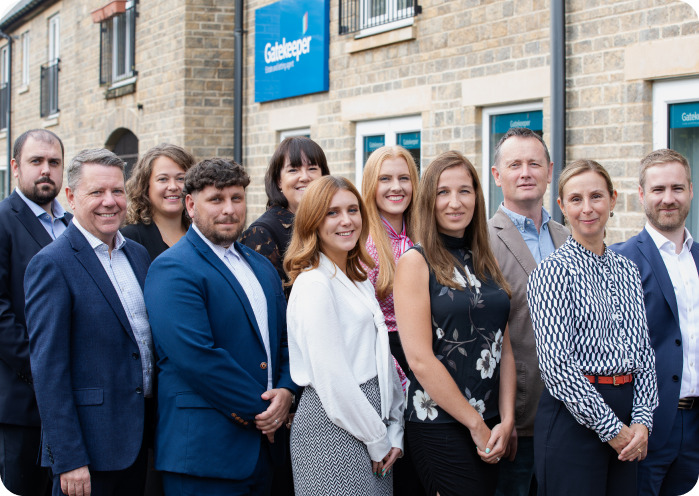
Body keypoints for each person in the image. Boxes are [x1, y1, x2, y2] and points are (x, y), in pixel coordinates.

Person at [144, 158, 297, 496]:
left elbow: (285, 340)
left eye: (236, 198)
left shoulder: (261, 266)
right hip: (204, 455)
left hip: (266, 453)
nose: (229, 209)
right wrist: (265, 411)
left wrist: (287, 391)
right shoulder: (172, 268)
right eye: (216, 199)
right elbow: (197, 357)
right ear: (190, 204)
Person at [24, 149, 153, 496]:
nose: (109, 201)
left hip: (138, 441)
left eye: (117, 191)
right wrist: (68, 458)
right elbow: (49, 371)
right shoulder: (52, 264)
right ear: (71, 196)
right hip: (88, 451)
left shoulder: (137, 255)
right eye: (96, 192)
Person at [527, 159, 658, 496]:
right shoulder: (552, 272)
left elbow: (643, 352)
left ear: (612, 199)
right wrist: (611, 429)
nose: (587, 208)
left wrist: (642, 420)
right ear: (562, 206)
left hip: (628, 417)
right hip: (574, 420)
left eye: (596, 196)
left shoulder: (628, 270)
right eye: (576, 199)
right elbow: (556, 366)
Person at [394, 151, 516, 496]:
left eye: (464, 191)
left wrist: (507, 420)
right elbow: (419, 359)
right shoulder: (415, 262)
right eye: (443, 192)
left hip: (492, 424)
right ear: (428, 201)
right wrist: (475, 424)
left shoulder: (485, 260)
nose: (455, 202)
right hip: (440, 425)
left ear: (477, 196)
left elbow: (504, 348)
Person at [284, 175, 404, 495]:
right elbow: (332, 378)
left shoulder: (358, 278)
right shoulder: (314, 284)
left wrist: (394, 425)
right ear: (313, 222)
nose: (347, 220)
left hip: (371, 423)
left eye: (353, 209)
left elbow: (381, 357)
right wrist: (377, 437)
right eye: (332, 213)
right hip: (332, 428)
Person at [610, 149, 699, 496]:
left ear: (690, 191)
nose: (668, 198)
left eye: (677, 188)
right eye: (658, 189)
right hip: (644, 427)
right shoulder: (620, 260)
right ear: (642, 194)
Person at [487, 128, 569, 496]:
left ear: (549, 172)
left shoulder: (568, 239)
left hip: (572, 417)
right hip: (515, 422)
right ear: (497, 175)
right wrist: (505, 418)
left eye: (534, 164)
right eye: (514, 165)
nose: (525, 173)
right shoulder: (482, 241)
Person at [0, 129, 69, 496]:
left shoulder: (71, 225)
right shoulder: (3, 220)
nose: (46, 170)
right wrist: (40, 369)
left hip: (70, 403)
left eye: (54, 162)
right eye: (36, 161)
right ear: (15, 167)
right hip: (21, 402)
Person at [361, 145, 424, 495]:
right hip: (385, 359)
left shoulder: (424, 236)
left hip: (427, 355)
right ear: (371, 185)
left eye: (404, 178)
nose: (396, 187)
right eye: (385, 179)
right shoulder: (363, 243)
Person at [240, 136, 330, 287]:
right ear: (279, 181)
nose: (305, 177)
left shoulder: (332, 222)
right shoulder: (260, 233)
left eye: (312, 168)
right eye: (293, 170)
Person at [121, 143, 196, 260]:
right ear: (146, 186)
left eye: (181, 178)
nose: (173, 187)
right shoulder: (129, 239)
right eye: (163, 179)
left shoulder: (203, 234)